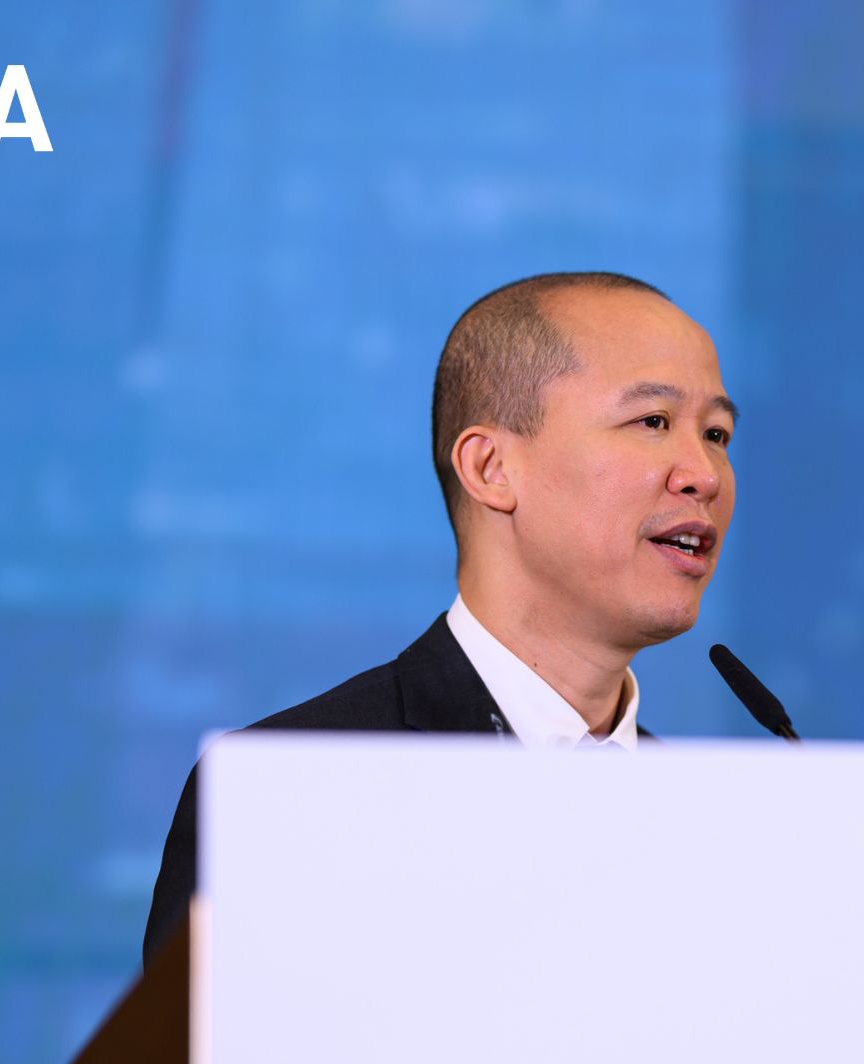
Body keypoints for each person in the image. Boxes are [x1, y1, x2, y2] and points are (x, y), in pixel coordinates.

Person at [142, 271, 738, 961]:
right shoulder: (293, 794)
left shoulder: (715, 831)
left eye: (717, 434)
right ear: (489, 468)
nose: (704, 474)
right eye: (653, 422)